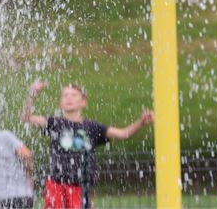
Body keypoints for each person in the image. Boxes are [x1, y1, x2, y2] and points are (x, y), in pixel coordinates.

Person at [22, 81, 154, 209]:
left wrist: (141, 122)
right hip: (56, 184)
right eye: (65, 95)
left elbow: (124, 133)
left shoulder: (93, 127)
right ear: (60, 103)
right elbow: (26, 118)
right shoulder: (54, 123)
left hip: (80, 186)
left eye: (74, 95)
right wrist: (31, 95)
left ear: (83, 102)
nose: (69, 98)